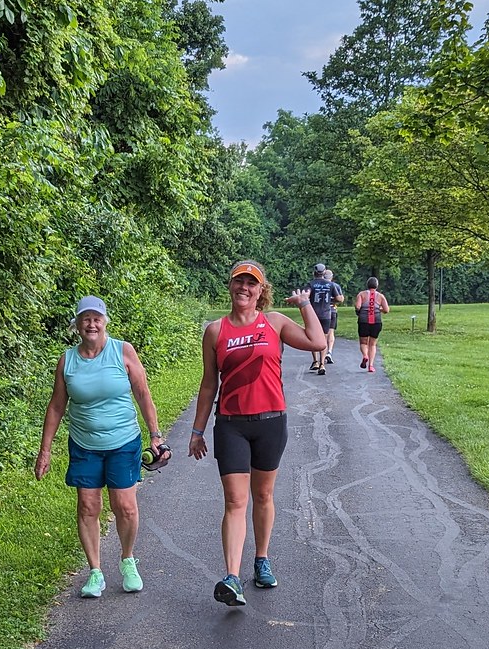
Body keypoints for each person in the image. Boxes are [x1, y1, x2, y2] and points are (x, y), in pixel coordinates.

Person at [188, 260, 326, 607]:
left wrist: (305, 304)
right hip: (231, 424)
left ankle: (261, 560)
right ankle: (232, 578)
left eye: (252, 284)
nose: (244, 289)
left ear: (261, 290)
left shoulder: (274, 323)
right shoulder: (216, 331)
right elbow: (209, 384)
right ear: (231, 286)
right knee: (235, 501)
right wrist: (197, 430)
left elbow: (316, 341)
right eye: (239, 282)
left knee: (263, 497)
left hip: (270, 422)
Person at [34, 296, 163, 598]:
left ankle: (128, 560)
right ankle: (95, 572)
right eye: (85, 318)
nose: (91, 324)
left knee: (125, 506)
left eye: (96, 318)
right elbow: (56, 406)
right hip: (84, 444)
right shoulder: (67, 360)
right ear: (77, 324)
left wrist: (156, 435)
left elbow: (143, 394)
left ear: (105, 321)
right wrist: (45, 449)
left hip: (123, 441)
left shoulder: (123, 351)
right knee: (88, 507)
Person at [305, 262, 343, 374]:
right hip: (326, 315)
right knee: (324, 339)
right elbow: (339, 299)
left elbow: (305, 297)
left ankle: (315, 361)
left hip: (313, 314)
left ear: (314, 273)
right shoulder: (331, 285)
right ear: (324, 272)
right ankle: (322, 364)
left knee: (312, 338)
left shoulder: (310, 284)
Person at [355, 276, 390, 373]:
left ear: (367, 285)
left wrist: (361, 309)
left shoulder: (361, 294)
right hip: (376, 322)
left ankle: (365, 355)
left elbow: (358, 307)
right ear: (377, 286)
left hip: (363, 321)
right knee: (373, 344)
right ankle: (371, 366)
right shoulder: (381, 296)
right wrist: (379, 309)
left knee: (363, 342)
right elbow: (386, 310)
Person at [323, 268, 343, 364]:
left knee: (323, 334)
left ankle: (321, 354)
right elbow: (341, 299)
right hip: (332, 309)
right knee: (331, 332)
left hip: (321, 311)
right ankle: (329, 352)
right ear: (331, 277)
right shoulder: (335, 286)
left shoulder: (319, 285)